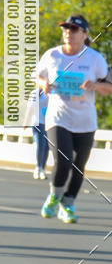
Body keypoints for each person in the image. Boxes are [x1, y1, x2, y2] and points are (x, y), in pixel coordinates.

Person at [38, 15, 111, 224]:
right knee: (63, 160)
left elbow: (108, 88)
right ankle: (54, 196)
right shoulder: (52, 55)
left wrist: (95, 86)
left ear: (85, 34)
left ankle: (68, 204)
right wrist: (43, 84)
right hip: (58, 117)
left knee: (79, 166)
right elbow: (38, 76)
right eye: (66, 29)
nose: (68, 33)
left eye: (74, 30)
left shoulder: (95, 59)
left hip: (85, 121)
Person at [24, 87, 49, 179]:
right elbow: (30, 108)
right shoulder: (35, 93)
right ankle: (38, 167)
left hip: (49, 123)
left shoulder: (53, 92)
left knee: (46, 147)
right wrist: (26, 121)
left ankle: (42, 168)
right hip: (37, 123)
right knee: (40, 145)